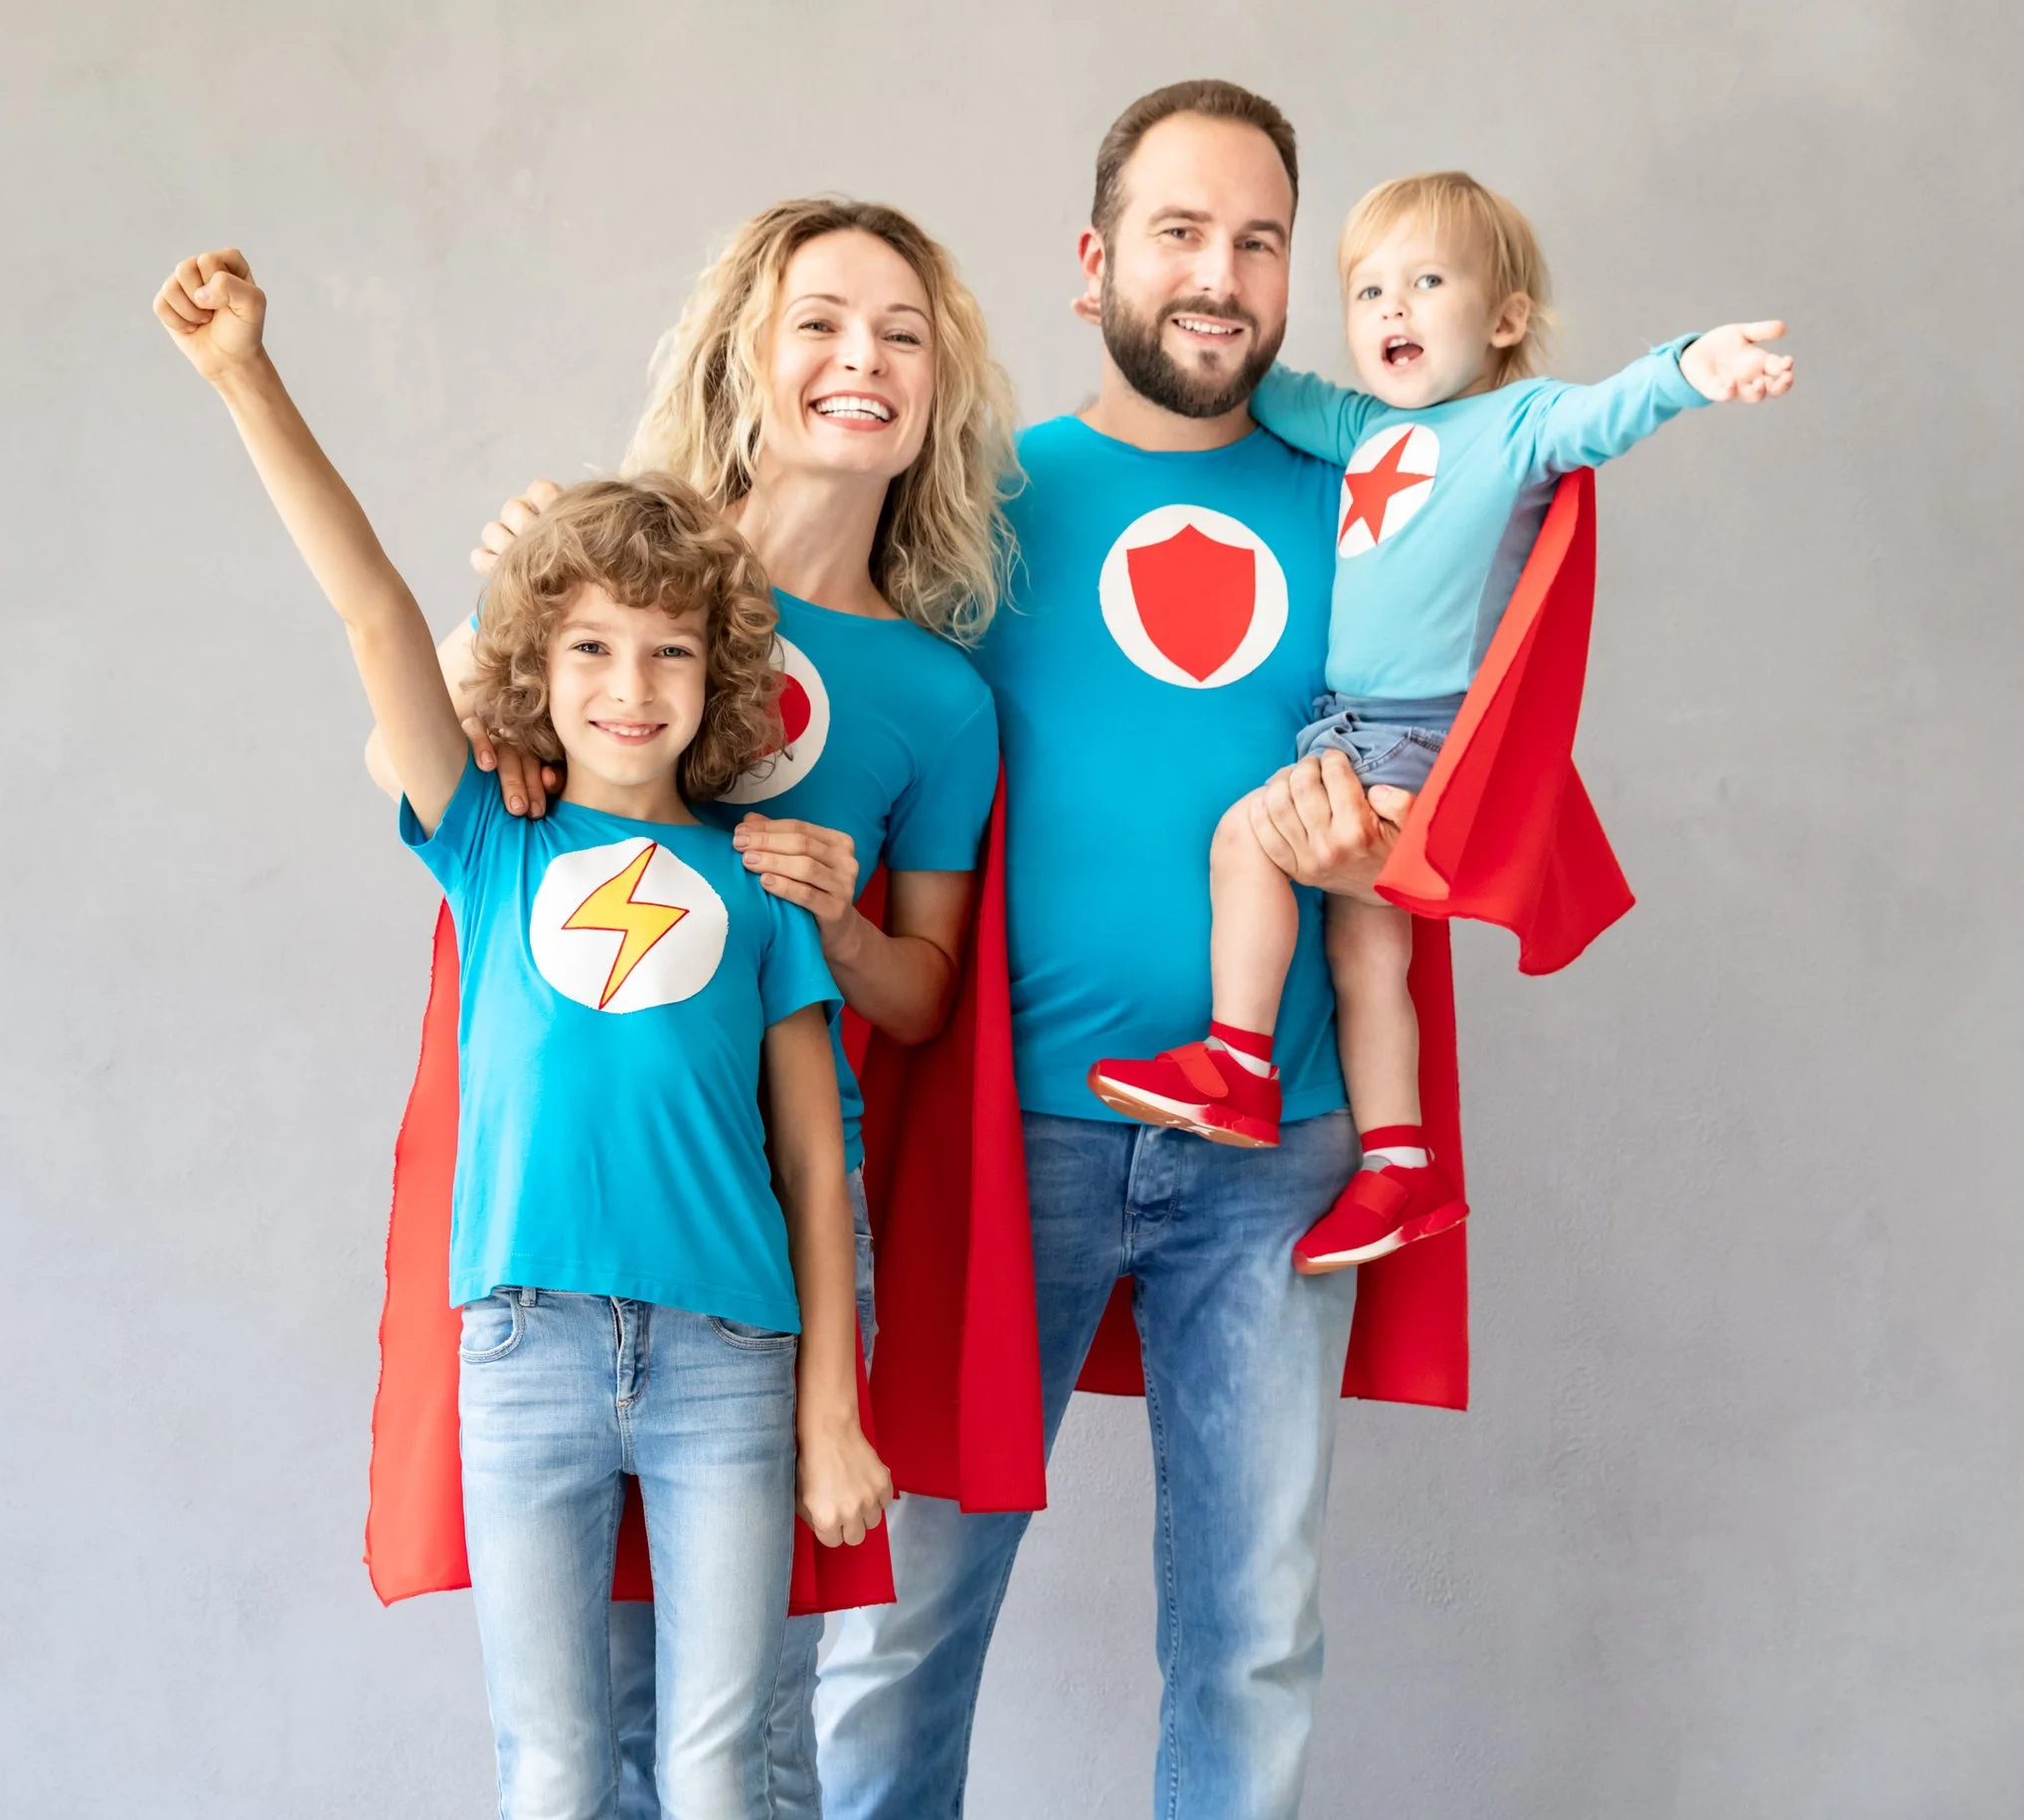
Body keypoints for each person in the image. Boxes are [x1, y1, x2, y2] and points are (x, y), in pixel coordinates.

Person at [153, 248, 892, 1820]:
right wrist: (243, 377)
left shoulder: (761, 885)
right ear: (537, 674)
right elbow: (373, 613)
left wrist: (831, 1405)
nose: (633, 686)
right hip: (526, 1350)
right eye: (593, 650)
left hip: (728, 1363)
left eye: (672, 650)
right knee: (548, 1767)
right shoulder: (492, 841)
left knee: (713, 1766)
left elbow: (821, 1167)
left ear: (722, 674)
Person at [813, 80, 1402, 1820]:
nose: (1218, 275)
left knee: (1254, 1632)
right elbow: (781, 656)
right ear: (1094, 263)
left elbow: (1472, 740)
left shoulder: (1372, 497)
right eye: (1179, 232)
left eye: (1258, 241)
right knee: (905, 1616)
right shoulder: (970, 501)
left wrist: (1381, 820)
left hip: (1275, 1149)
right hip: (1011, 1135)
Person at [389, 198, 1017, 1819]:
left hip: (764, 1233)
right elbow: (424, 756)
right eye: (821, 318)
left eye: (901, 332)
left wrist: (838, 912)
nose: (859, 359)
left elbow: (926, 992)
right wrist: (493, 683)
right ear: (750, 343)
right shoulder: (624, 570)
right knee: (578, 1725)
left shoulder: (939, 696)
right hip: (565, 1209)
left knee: (751, 1736)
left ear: (940, 385)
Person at [1088, 168, 1795, 1272]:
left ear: (1504, 317)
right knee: (1368, 952)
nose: (1392, 312)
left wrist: (1695, 366)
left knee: (1247, 843)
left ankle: (1237, 1063)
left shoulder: (1521, 422)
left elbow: (1617, 407)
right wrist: (1152, 314)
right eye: (1367, 293)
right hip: (1346, 729)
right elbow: (1263, 387)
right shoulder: (1360, 425)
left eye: (1425, 282)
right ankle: (1400, 1166)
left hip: (1422, 737)